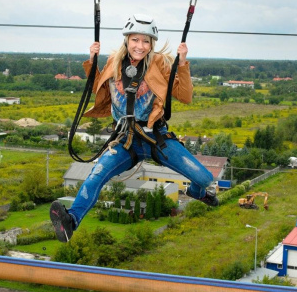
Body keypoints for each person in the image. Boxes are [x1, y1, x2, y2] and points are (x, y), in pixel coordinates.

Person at [50, 14, 219, 242]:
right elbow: (99, 88)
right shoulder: (114, 62)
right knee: (96, 175)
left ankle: (197, 192)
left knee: (205, 178)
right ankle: (71, 222)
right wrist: (92, 60)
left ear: (152, 44)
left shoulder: (159, 63)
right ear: (127, 40)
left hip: (154, 137)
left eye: (146, 41)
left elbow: (185, 96)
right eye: (136, 40)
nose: (140, 46)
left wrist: (183, 61)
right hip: (125, 140)